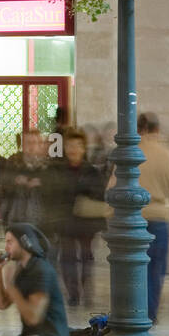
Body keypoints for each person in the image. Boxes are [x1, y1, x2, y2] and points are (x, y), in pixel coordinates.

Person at [121, 113, 169, 324]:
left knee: (132, 268)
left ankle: (133, 309)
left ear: (137, 130)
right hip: (159, 217)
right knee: (155, 269)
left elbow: (113, 188)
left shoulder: (128, 154)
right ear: (157, 130)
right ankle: (150, 312)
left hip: (132, 219)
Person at [52, 130, 107, 307]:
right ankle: (73, 293)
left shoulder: (91, 171)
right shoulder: (59, 170)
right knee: (67, 258)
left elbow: (99, 194)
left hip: (86, 222)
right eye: (70, 146)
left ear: (83, 149)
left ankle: (86, 289)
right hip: (66, 221)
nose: (73, 149)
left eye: (77, 146)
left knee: (86, 256)